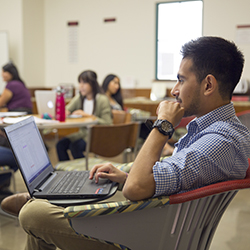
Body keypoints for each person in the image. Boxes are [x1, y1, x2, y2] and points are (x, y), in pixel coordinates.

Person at [2, 36, 250, 250]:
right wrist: (123, 175)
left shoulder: (221, 141)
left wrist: (163, 124)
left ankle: (42, 200)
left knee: (34, 215)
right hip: (157, 224)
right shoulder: (211, 130)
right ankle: (50, 196)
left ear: (208, 84)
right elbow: (171, 170)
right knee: (47, 210)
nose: (175, 90)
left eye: (181, 80)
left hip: (150, 238)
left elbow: (136, 189)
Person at [56, 70, 112, 161]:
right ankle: (66, 171)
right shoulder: (80, 97)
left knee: (75, 147)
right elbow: (67, 110)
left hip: (96, 136)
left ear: (93, 84)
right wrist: (65, 111)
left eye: (84, 82)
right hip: (82, 133)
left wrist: (86, 115)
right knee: (60, 145)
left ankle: (84, 171)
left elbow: (107, 123)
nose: (81, 86)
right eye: (80, 82)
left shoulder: (102, 99)